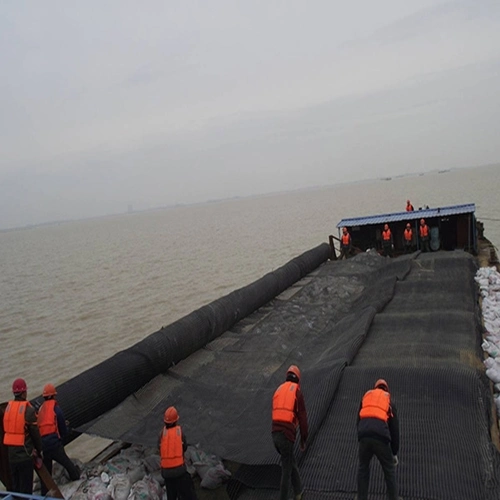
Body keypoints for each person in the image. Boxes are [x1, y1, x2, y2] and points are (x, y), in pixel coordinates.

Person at [357, 379, 400, 500]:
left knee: (363, 468)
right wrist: (394, 452)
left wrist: (361, 440)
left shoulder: (366, 397)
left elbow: (358, 420)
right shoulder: (389, 401)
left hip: (364, 436)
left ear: (375, 388)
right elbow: (394, 429)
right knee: (389, 470)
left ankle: (361, 498)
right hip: (381, 438)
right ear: (386, 389)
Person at [272, 365, 308, 500]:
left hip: (275, 435)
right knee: (286, 471)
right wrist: (303, 439)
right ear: (298, 379)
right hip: (286, 436)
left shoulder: (278, 390)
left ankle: (299, 492)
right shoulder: (296, 392)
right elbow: (303, 418)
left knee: (290, 461)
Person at [37, 383, 81, 495]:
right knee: (67, 464)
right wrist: (66, 431)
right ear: (53, 396)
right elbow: (62, 429)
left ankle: (44, 494)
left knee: (46, 474)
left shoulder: (41, 410)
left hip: (43, 446)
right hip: (54, 444)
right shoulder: (56, 409)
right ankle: (77, 480)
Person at [2, 378, 43, 494]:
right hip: (25, 456)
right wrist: (40, 450)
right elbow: (35, 434)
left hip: (11, 457)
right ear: (24, 392)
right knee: (26, 490)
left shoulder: (7, 409)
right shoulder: (28, 411)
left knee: (16, 490)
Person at [159, 406, 197, 500]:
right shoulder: (179, 432)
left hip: (166, 473)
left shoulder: (162, 433)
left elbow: (159, 447)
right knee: (189, 494)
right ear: (176, 420)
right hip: (179, 471)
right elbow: (184, 447)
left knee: (171, 495)